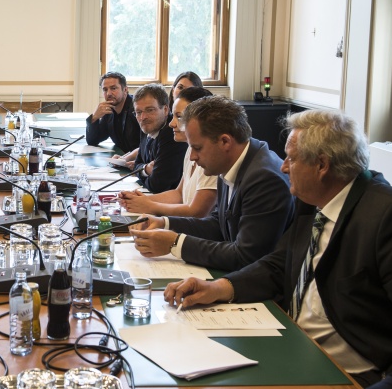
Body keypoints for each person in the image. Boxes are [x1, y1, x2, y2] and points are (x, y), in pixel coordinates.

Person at [163, 110, 392, 387]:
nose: (283, 167)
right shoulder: (314, 202)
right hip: (293, 346)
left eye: (292, 158)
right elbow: (279, 264)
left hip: (349, 374)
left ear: (322, 165)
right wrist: (219, 287)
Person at [131, 95, 293, 271]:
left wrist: (176, 244)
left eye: (197, 148)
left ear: (225, 141)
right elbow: (219, 225)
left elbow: (246, 257)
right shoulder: (230, 162)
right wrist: (164, 223)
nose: (192, 156)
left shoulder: (264, 179)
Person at [119, 86, 217, 218]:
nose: (171, 124)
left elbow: (197, 212)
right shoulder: (190, 148)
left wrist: (150, 206)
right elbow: (179, 194)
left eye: (179, 117)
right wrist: (140, 200)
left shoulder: (213, 156)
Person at [129, 83, 186, 193]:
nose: (143, 117)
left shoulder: (173, 134)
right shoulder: (147, 127)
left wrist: (141, 170)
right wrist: (146, 169)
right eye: (138, 112)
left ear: (165, 110)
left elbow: (158, 185)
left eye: (150, 110)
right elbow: (137, 164)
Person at [85, 72, 141, 153]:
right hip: (121, 159)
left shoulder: (137, 109)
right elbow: (93, 141)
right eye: (105, 89)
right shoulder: (109, 110)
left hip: (138, 161)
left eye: (113, 88)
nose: (109, 93)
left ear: (125, 89)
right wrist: (94, 118)